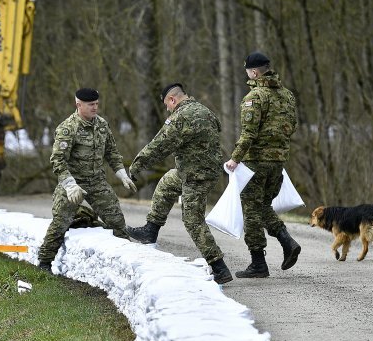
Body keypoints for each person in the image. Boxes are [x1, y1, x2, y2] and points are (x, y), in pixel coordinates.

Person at [128, 83, 232, 284]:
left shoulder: (180, 117)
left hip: (196, 176)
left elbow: (160, 145)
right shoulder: (205, 111)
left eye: (167, 105)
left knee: (192, 220)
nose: (167, 109)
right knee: (167, 182)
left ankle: (219, 266)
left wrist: (136, 166)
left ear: (172, 100)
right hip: (200, 170)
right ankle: (151, 230)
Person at [36, 88, 138, 271]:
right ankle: (44, 262)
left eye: (97, 104)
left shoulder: (102, 125)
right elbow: (58, 160)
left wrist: (122, 173)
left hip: (97, 181)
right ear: (78, 105)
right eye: (91, 104)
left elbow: (112, 152)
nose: (95, 107)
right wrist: (69, 185)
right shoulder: (68, 128)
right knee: (60, 221)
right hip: (73, 183)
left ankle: (123, 264)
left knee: (117, 221)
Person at [224, 51, 301, 277]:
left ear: (254, 72)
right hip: (278, 162)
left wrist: (235, 158)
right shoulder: (287, 96)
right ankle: (287, 242)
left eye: (248, 71)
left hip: (255, 163)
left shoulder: (254, 97)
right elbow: (292, 126)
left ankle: (258, 263)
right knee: (263, 206)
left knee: (251, 211)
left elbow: (249, 133)